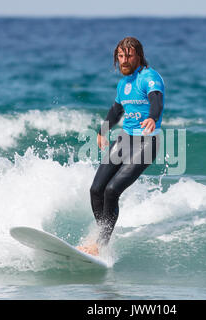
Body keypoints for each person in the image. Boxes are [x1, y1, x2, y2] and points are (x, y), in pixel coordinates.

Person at [77, 37, 164, 256]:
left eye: (129, 55)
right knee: (96, 189)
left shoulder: (149, 77)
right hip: (125, 139)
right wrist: (102, 131)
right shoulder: (123, 84)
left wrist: (153, 118)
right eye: (120, 56)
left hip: (148, 142)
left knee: (112, 190)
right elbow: (116, 110)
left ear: (139, 56)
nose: (124, 60)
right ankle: (100, 234)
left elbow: (156, 101)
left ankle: (101, 244)